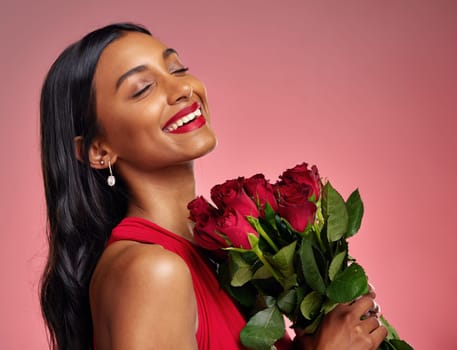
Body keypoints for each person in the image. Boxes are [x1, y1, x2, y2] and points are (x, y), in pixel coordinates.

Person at [39, 23, 387, 350]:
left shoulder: (216, 256)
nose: (182, 88)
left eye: (177, 69)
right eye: (143, 88)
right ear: (99, 150)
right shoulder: (153, 271)